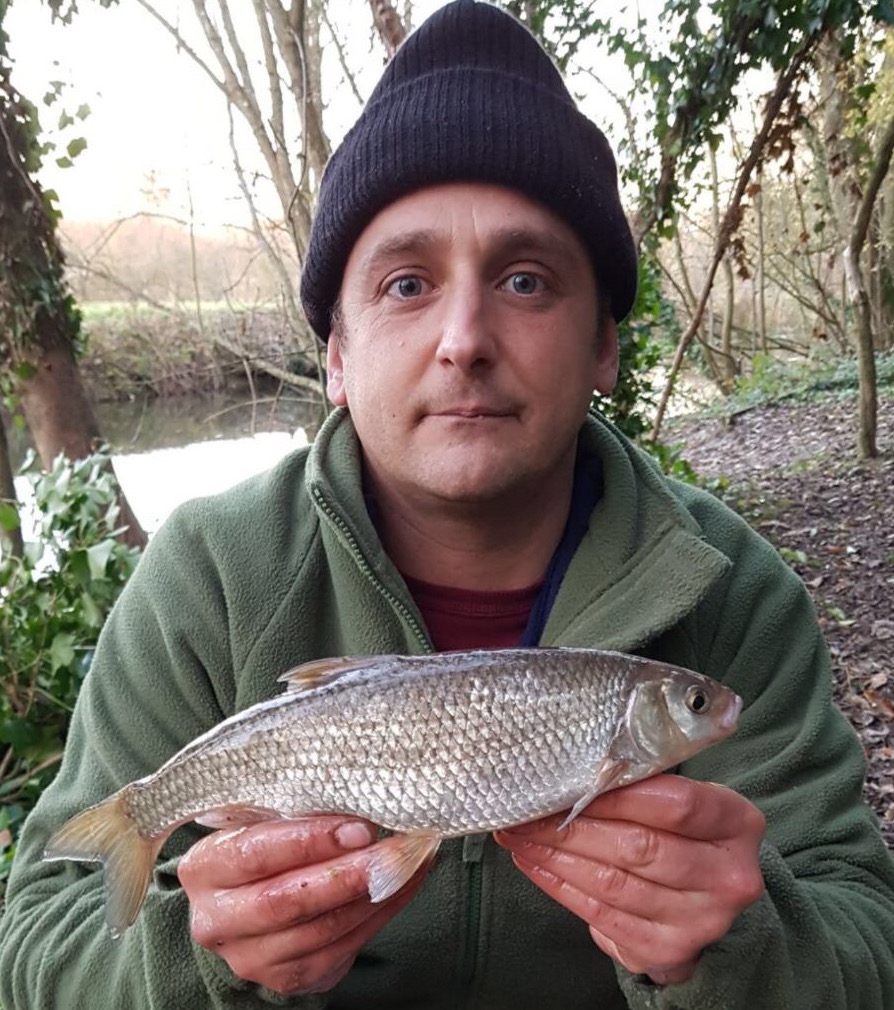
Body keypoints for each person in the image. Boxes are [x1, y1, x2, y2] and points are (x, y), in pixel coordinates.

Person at [2, 1, 894, 1007]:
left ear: (604, 344)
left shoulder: (735, 591)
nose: (464, 335)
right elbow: (41, 943)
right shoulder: (205, 577)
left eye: (524, 279)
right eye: (407, 283)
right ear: (337, 354)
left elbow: (866, 940)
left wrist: (740, 947)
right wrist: (203, 960)